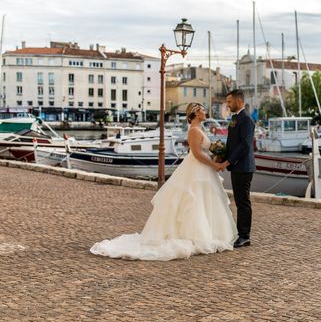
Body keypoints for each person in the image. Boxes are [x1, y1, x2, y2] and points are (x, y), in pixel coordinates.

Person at [90, 102, 237, 260]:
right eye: (202, 110)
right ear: (195, 113)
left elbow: (203, 151)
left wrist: (217, 155)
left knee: (203, 200)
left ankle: (207, 232)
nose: (204, 112)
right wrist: (214, 164)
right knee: (194, 200)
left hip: (202, 169)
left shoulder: (198, 129)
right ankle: (195, 234)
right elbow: (196, 154)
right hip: (198, 168)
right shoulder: (194, 130)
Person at [218, 90, 255, 248]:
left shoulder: (246, 120)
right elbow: (232, 142)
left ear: (239, 101)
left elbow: (245, 145)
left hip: (243, 166)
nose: (227, 104)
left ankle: (244, 236)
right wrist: (222, 156)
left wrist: (228, 161)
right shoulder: (235, 118)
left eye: (229, 102)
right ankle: (242, 234)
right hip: (237, 166)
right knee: (239, 201)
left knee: (243, 202)